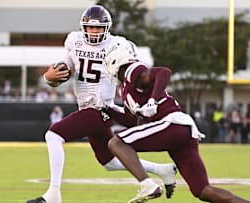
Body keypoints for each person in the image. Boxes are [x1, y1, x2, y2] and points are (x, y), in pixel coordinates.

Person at [26, 5, 176, 203]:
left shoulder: (119, 44)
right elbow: (63, 71)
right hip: (91, 109)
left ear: (107, 28)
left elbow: (134, 74)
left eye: (99, 28)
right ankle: (161, 170)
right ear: (83, 27)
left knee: (53, 135)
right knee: (109, 162)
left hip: (99, 107)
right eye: (90, 27)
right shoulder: (74, 40)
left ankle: (53, 194)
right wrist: (48, 77)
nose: (94, 32)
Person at [102, 40, 250, 203]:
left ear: (116, 61)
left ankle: (148, 185)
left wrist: (153, 100)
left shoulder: (133, 71)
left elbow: (163, 72)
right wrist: (105, 108)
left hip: (171, 123)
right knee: (203, 191)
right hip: (181, 131)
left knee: (116, 143)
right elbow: (130, 122)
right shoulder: (125, 88)